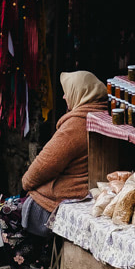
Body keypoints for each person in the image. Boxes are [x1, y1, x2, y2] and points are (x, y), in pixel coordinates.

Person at [21, 70, 109, 226]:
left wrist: (25, 183)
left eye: (67, 92)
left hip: (68, 196)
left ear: (80, 93)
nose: (64, 97)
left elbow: (44, 165)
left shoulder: (76, 125)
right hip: (87, 192)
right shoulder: (103, 115)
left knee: (6, 214)